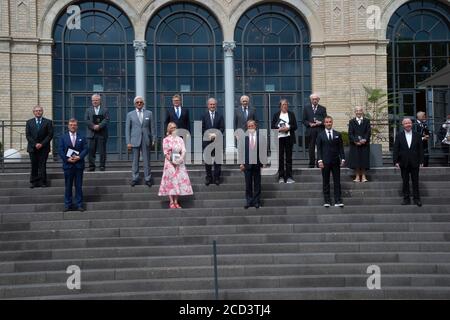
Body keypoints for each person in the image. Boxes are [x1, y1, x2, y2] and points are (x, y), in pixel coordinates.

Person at [158, 122, 193, 209]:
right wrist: (172, 160)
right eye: (171, 128)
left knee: (178, 181)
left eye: (174, 127)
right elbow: (165, 152)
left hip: (179, 163)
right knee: (171, 181)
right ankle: (171, 201)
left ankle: (176, 201)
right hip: (169, 163)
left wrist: (180, 159)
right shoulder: (165, 140)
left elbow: (184, 150)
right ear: (168, 129)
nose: (173, 129)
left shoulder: (180, 139)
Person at [58, 118, 88, 212]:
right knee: (68, 186)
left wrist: (80, 157)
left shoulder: (82, 137)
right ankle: (68, 204)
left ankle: (79, 204)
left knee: (78, 186)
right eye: (71, 125)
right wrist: (67, 159)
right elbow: (60, 150)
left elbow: (86, 149)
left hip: (79, 165)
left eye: (74, 125)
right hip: (68, 165)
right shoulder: (63, 137)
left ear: (77, 126)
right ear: (68, 126)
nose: (73, 126)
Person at [393, 118, 424, 207]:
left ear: (412, 124)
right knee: (405, 181)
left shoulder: (417, 135)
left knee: (415, 181)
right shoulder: (399, 135)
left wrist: (422, 160)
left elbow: (420, 149)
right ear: (403, 125)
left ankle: (416, 199)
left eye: (409, 123)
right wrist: (396, 161)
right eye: (406, 123)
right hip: (403, 162)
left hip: (415, 161)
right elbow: (396, 149)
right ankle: (406, 199)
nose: (408, 125)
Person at [125, 96, 155, 187]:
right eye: (137, 102)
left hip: (146, 139)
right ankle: (135, 178)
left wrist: (153, 139)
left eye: (140, 102)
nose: (139, 103)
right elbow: (127, 129)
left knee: (146, 160)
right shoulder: (130, 114)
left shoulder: (149, 113)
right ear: (134, 104)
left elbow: (152, 127)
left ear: (143, 103)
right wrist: (128, 142)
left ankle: (148, 178)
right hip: (134, 140)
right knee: (135, 160)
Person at [316, 116, 346, 207]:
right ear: (324, 123)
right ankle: (327, 201)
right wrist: (320, 161)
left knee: (337, 181)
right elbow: (319, 149)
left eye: (330, 122)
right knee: (326, 182)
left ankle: (338, 200)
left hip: (335, 161)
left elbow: (341, 147)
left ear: (332, 123)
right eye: (327, 122)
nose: (328, 123)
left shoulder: (338, 134)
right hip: (325, 162)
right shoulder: (320, 135)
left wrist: (343, 158)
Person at [239, 120, 266, 209]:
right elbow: (241, 151)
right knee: (248, 184)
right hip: (247, 165)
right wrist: (241, 163)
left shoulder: (261, 137)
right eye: (249, 126)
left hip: (257, 164)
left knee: (257, 184)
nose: (250, 128)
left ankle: (256, 201)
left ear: (255, 126)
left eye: (252, 126)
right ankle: (249, 201)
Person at [25, 105, 54, 188]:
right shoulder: (29, 122)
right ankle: (34, 182)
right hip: (32, 148)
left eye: (40, 110)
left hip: (44, 148)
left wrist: (41, 144)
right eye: (36, 111)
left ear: (42, 111)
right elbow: (28, 135)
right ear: (33, 112)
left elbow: (50, 135)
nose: (38, 112)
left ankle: (43, 182)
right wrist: (35, 144)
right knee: (34, 165)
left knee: (42, 165)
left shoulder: (48, 122)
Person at [271, 99, 297, 183]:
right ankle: (281, 176)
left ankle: (289, 176)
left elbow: (295, 126)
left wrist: (288, 128)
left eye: (286, 104)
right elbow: (272, 127)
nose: (285, 106)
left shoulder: (291, 114)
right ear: (280, 106)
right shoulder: (276, 115)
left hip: (289, 138)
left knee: (288, 158)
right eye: (283, 104)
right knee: (280, 158)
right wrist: (279, 129)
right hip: (279, 138)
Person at [201, 97, 225, 186]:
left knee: (217, 161)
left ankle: (217, 178)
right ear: (208, 105)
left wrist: (215, 135)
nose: (212, 106)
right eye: (211, 104)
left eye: (214, 104)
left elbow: (222, 128)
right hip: (207, 142)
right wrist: (209, 135)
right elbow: (202, 128)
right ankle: (209, 178)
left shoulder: (220, 116)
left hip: (217, 141)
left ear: (216, 105)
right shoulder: (204, 116)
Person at [85, 94, 110, 171]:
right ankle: (91, 166)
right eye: (93, 100)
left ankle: (102, 166)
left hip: (101, 134)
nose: (94, 101)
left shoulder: (105, 110)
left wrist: (99, 126)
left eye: (96, 100)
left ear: (99, 100)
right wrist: (93, 126)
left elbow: (106, 120)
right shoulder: (88, 110)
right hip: (91, 134)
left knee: (102, 151)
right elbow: (86, 120)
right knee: (91, 151)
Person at [303, 93, 327, 168]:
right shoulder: (306, 108)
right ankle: (311, 164)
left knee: (320, 147)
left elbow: (326, 120)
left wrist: (321, 122)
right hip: (311, 130)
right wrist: (309, 124)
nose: (315, 100)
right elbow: (304, 120)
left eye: (316, 99)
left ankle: (319, 163)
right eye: (313, 99)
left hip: (320, 130)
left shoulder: (323, 108)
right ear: (311, 100)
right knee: (311, 147)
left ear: (318, 100)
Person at [347, 106, 371, 182]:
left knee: (364, 160)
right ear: (355, 112)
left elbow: (368, 132)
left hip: (364, 144)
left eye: (360, 110)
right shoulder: (351, 121)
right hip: (355, 144)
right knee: (356, 160)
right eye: (357, 110)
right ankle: (357, 176)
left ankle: (363, 176)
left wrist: (364, 140)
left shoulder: (367, 121)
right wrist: (356, 141)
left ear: (362, 111)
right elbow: (350, 133)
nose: (358, 112)